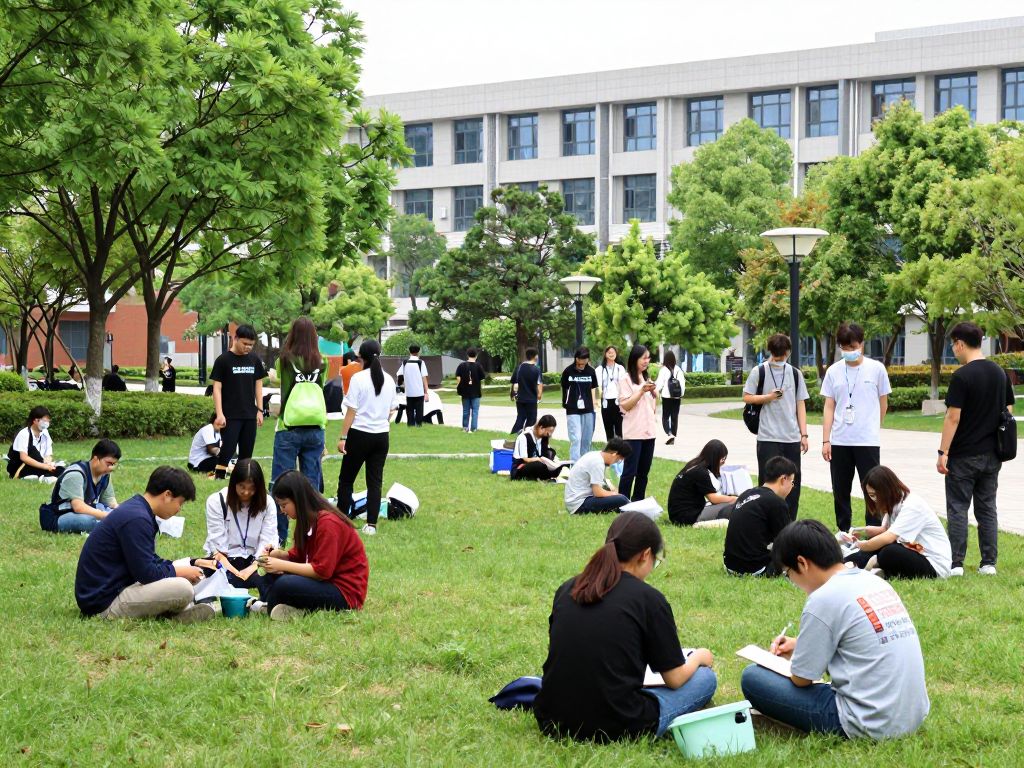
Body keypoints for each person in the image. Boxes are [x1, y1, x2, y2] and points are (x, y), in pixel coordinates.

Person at [534, 512, 717, 742]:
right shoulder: (649, 599)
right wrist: (700, 656)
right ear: (645, 555)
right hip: (618, 724)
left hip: (552, 717)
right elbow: (675, 679)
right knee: (704, 679)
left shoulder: (569, 588)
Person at [740, 519, 929, 740]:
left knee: (753, 678)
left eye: (788, 573)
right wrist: (799, 645)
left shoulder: (823, 598)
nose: (791, 581)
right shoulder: (874, 582)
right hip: (912, 715)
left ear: (802, 563)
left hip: (867, 722)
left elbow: (802, 679)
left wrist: (795, 661)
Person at [74, 466, 212, 622]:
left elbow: (150, 561)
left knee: (183, 579)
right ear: (167, 495)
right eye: (180, 503)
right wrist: (180, 572)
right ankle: (173, 616)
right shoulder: (137, 518)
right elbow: (147, 574)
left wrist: (191, 563)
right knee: (183, 588)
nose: (179, 509)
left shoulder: (138, 511)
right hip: (104, 603)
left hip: (113, 590)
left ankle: (177, 612)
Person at [937, 322, 1015, 576]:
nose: (953, 349)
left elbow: (953, 418)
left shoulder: (962, 376)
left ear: (960, 343)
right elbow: (1009, 411)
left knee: (958, 507)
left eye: (953, 345)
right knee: (987, 508)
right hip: (992, 454)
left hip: (963, 455)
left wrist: (943, 452)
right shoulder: (999, 373)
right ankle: (988, 563)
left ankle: (956, 563)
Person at [257, 470, 368, 620]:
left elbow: (322, 571)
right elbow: (300, 557)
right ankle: (285, 607)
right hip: (324, 583)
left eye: (284, 505)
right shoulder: (306, 521)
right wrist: (280, 555)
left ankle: (271, 605)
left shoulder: (329, 523)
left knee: (284, 583)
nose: (282, 511)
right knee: (271, 577)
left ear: (298, 499)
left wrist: (281, 565)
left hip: (344, 592)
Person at [821, 322, 892, 532]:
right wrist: (826, 440)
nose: (849, 351)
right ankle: (844, 531)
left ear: (861, 343)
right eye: (845, 348)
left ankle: (873, 529)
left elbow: (883, 402)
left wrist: (872, 426)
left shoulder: (877, 369)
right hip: (840, 441)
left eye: (852, 347)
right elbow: (829, 406)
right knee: (840, 489)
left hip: (867, 441)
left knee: (873, 489)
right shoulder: (833, 371)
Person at [271, 317, 328, 546]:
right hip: (315, 428)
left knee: (281, 483)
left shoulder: (284, 360)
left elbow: (282, 386)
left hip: (289, 427)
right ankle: (312, 536)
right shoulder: (322, 362)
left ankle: (279, 538)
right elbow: (320, 391)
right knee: (311, 486)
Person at [841, 466, 952, 579]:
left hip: (934, 564)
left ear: (886, 490)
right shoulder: (893, 502)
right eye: (870, 496)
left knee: (888, 551)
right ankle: (844, 565)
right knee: (879, 547)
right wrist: (858, 532)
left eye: (875, 495)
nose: (874, 500)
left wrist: (862, 545)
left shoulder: (912, 505)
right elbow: (884, 530)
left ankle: (873, 566)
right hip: (916, 550)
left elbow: (888, 537)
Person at [743, 333, 809, 521]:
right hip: (767, 437)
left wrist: (803, 435)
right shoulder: (759, 371)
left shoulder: (795, 374)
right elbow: (747, 397)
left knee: (792, 484)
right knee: (768, 483)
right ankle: (765, 520)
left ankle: (789, 522)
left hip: (791, 437)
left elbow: (800, 404)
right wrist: (768, 397)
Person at [336, 339, 397, 536]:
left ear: (360, 357)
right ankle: (371, 525)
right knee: (375, 482)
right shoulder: (389, 379)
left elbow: (351, 412)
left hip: (359, 435)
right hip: (381, 436)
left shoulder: (358, 378)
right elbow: (392, 410)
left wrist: (343, 437)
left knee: (346, 480)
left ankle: (343, 522)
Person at [201, 459, 278, 598]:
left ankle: (263, 602)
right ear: (233, 483)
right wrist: (235, 572)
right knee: (202, 571)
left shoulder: (267, 503)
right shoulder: (217, 501)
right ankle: (209, 600)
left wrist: (253, 566)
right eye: (241, 486)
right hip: (225, 560)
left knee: (277, 574)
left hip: (256, 561)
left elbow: (268, 539)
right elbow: (217, 544)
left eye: (252, 488)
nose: (246, 492)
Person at [723, 456, 797, 576]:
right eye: (792, 482)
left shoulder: (746, 494)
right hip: (755, 568)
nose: (792, 487)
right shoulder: (776, 502)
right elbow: (788, 543)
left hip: (730, 565)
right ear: (783, 479)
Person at [211, 324, 267, 479]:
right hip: (230, 415)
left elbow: (258, 385)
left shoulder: (254, 359)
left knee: (247, 451)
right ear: (235, 339)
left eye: (251, 345)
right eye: (245, 344)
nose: (248, 347)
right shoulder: (223, 360)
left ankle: (242, 478)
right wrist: (220, 414)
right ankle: (219, 476)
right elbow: (217, 388)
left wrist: (260, 410)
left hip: (249, 414)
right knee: (227, 448)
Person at [49, 439, 121, 534]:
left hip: (85, 511)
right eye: (109, 464)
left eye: (114, 464)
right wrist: (107, 516)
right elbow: (78, 507)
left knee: (113, 513)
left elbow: (109, 502)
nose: (111, 468)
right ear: (96, 460)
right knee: (88, 521)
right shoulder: (76, 474)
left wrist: (121, 513)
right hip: (61, 515)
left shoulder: (105, 475)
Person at [618, 344, 658, 501]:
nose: (646, 361)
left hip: (649, 432)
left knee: (643, 472)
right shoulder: (625, 379)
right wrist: (641, 390)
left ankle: (638, 500)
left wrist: (653, 391)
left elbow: (653, 405)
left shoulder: (646, 378)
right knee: (630, 471)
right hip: (633, 432)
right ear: (635, 359)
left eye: (648, 358)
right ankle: (622, 501)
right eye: (643, 358)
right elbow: (626, 405)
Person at [667, 439, 737, 526]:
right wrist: (734, 499)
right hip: (688, 516)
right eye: (723, 459)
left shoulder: (693, 464)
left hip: (678, 514)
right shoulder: (701, 472)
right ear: (715, 458)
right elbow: (714, 499)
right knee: (733, 506)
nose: (723, 462)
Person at [564, 439, 633, 514]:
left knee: (619, 498)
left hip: (575, 501)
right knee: (621, 499)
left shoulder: (596, 455)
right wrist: (614, 494)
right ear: (614, 454)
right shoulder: (598, 463)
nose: (615, 462)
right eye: (618, 460)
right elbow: (598, 493)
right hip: (579, 505)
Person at [561, 347, 598, 463]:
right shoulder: (568, 371)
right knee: (576, 438)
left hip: (588, 408)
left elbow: (593, 388)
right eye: (580, 361)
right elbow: (564, 388)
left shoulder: (591, 371)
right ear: (576, 358)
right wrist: (565, 402)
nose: (582, 364)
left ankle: (584, 463)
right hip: (573, 408)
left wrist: (594, 402)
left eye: (585, 360)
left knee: (586, 439)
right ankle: (575, 463)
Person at [6, 405, 61, 481]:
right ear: (35, 421)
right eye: (44, 421)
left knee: (60, 469)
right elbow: (24, 458)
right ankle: (43, 476)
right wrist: (44, 466)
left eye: (48, 421)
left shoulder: (45, 433)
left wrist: (47, 462)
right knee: (32, 450)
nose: (47, 423)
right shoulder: (24, 434)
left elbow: (48, 454)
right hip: (21, 466)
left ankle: (48, 475)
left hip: (39, 464)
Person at [511, 415, 561, 481]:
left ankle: (542, 475)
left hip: (540, 465)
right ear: (541, 428)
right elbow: (525, 459)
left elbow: (546, 453)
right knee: (538, 466)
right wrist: (539, 459)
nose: (550, 434)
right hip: (521, 467)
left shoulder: (544, 438)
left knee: (558, 468)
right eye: (549, 431)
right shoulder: (524, 437)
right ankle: (542, 476)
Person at [655, 351, 685, 445]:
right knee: (674, 416)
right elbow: (682, 384)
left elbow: (659, 385)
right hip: (676, 397)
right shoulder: (679, 370)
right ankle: (674, 436)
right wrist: (680, 394)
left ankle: (669, 434)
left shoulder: (663, 370)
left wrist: (654, 390)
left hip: (667, 397)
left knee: (665, 417)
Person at [510, 347, 543, 433]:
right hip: (531, 398)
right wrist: (539, 396)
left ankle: (514, 433)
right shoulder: (536, 369)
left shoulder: (519, 367)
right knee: (531, 420)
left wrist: (512, 394)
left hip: (520, 398)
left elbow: (514, 382)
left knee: (520, 417)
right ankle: (527, 435)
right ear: (535, 356)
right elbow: (539, 383)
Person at [597, 346, 626, 440]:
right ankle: (610, 449)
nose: (611, 354)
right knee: (608, 428)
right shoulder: (599, 369)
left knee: (619, 428)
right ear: (605, 354)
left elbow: (623, 385)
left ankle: (620, 450)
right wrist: (597, 402)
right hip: (605, 402)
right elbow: (597, 387)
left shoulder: (620, 368)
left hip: (618, 402)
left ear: (616, 354)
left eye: (613, 352)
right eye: (609, 352)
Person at [455, 347, 485, 433]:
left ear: (467, 355)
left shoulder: (461, 365)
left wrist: (458, 387)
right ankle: (474, 428)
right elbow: (482, 379)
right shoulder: (478, 366)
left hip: (465, 392)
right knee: (475, 411)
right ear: (476, 355)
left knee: (465, 411)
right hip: (476, 392)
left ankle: (465, 427)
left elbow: (458, 378)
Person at [399, 344, 429, 428]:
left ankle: (410, 425)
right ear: (418, 352)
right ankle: (418, 425)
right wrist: (426, 391)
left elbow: (399, 374)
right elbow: (424, 377)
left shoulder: (405, 362)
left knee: (410, 410)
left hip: (409, 392)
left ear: (409, 351)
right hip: (419, 391)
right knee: (419, 410)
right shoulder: (420, 362)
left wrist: (403, 385)